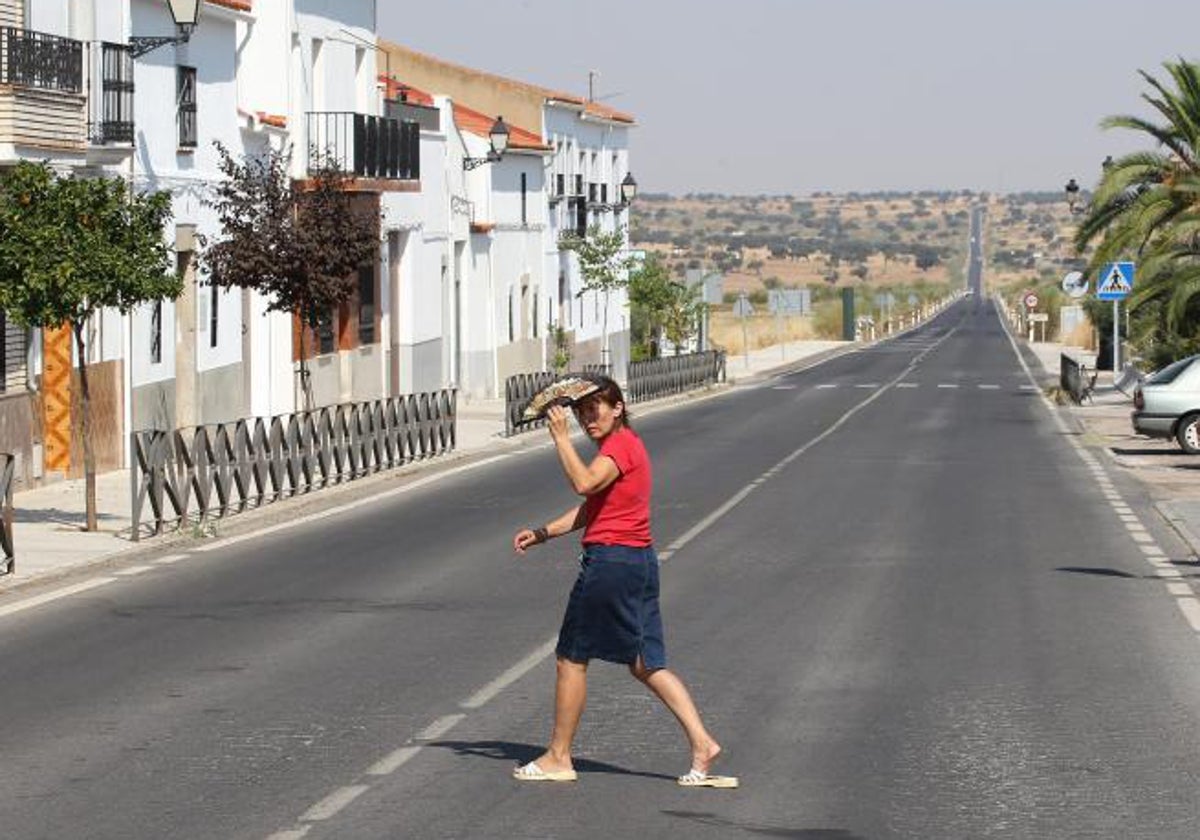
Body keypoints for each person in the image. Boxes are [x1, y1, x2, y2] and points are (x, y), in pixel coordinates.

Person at [511, 376, 736, 788]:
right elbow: (593, 507)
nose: (586, 418)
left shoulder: (619, 447)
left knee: (571, 657)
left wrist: (560, 438)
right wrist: (544, 532)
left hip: (611, 563)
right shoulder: (621, 448)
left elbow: (583, 483)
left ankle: (559, 757)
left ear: (618, 409)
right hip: (637, 562)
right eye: (580, 412)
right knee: (645, 662)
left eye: (594, 409)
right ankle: (703, 743)